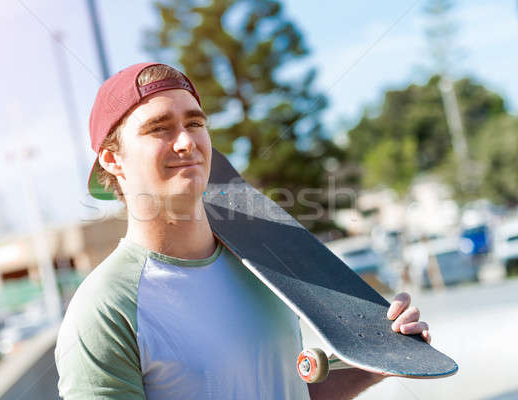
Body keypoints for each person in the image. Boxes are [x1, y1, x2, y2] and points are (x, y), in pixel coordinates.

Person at [54, 62, 431, 400]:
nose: (187, 142)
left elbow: (287, 389)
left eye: (195, 123)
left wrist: (376, 358)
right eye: (159, 129)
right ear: (112, 158)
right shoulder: (105, 310)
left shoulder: (262, 260)